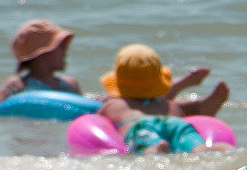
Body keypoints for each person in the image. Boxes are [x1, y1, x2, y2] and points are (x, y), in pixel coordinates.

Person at [98, 43, 232, 154]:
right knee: (200, 150)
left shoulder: (113, 103)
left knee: (149, 148)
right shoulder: (167, 104)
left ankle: (155, 149)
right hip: (174, 122)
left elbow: (95, 117)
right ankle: (221, 148)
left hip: (141, 126)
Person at [0, 19, 81, 111]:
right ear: (42, 53)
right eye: (60, 46)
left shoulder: (70, 86)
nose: (65, 50)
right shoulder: (17, 85)